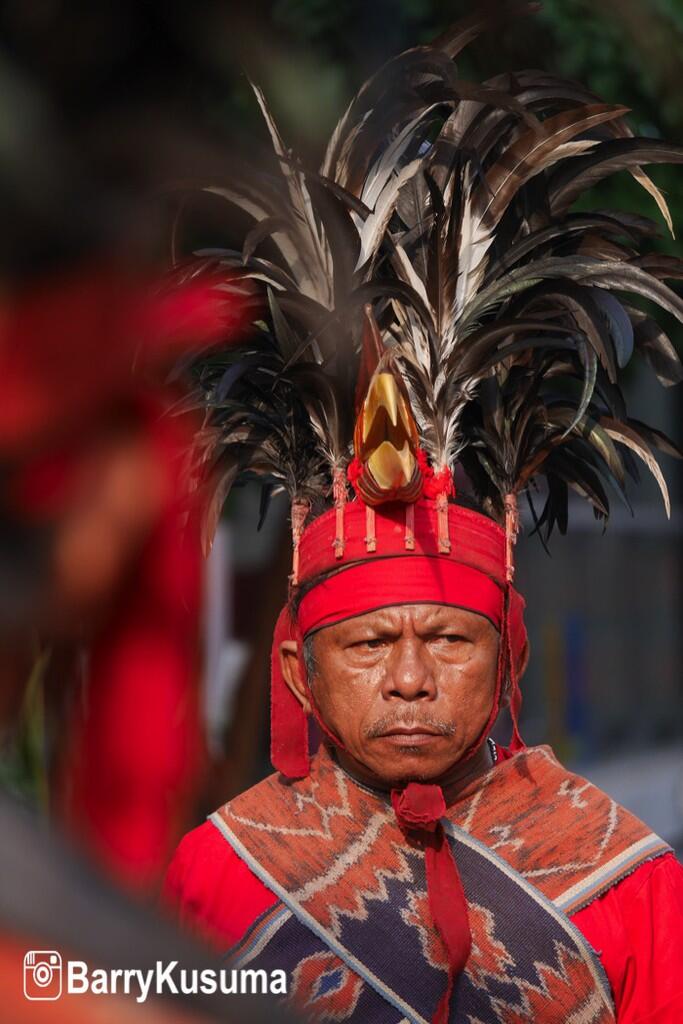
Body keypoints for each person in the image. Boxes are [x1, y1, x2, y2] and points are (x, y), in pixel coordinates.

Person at [165, 7, 683, 1021]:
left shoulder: (631, 881)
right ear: (293, 668)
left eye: (446, 636)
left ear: (509, 649)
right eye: (364, 644)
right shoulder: (212, 874)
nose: (408, 679)